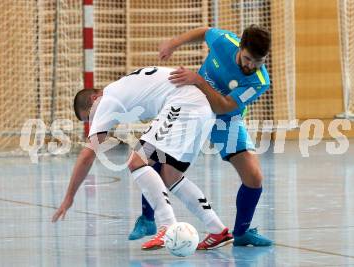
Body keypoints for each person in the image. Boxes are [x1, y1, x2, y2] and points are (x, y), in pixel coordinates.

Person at [52, 67, 233, 250]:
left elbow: (86, 157)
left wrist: (69, 197)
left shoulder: (107, 100)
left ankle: (168, 226)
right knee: (171, 176)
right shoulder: (121, 88)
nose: (93, 121)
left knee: (137, 160)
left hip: (184, 104)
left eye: (89, 117)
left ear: (93, 99)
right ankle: (217, 230)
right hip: (202, 109)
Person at [130, 25, 273, 248]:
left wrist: (199, 80)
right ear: (240, 47)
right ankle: (148, 220)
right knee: (158, 158)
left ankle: (242, 233)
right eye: (247, 59)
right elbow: (204, 31)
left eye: (259, 62)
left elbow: (225, 106)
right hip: (192, 106)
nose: (251, 66)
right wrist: (174, 42)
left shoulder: (259, 81)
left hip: (225, 119)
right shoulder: (224, 41)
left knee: (254, 178)